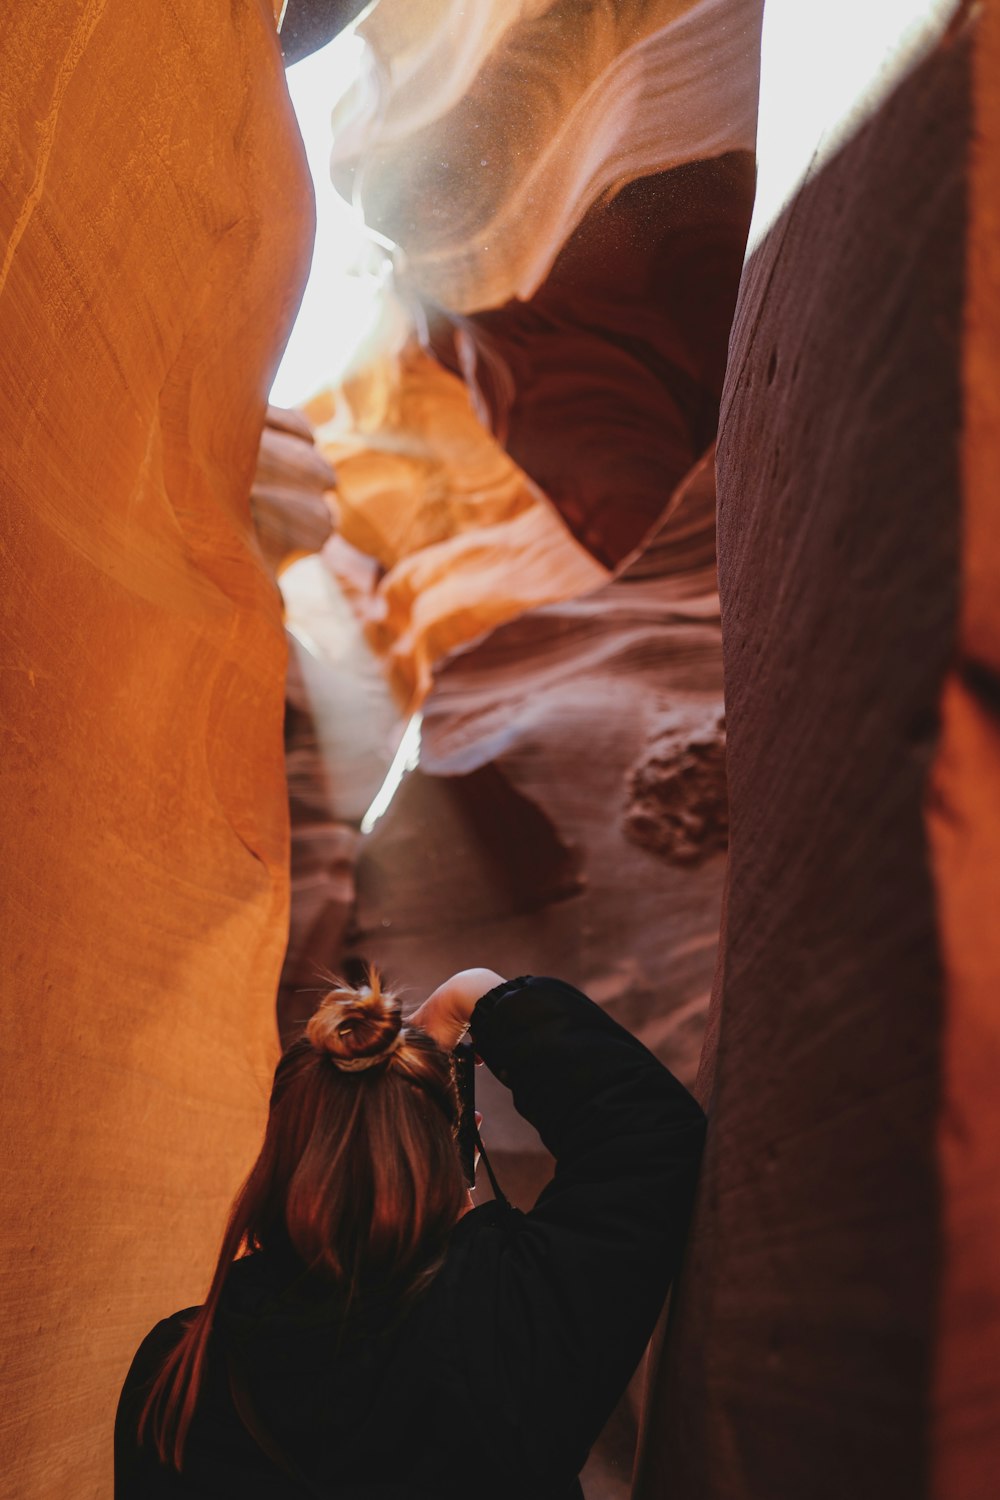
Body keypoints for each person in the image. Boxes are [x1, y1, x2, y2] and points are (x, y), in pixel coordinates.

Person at [115, 968, 707, 1499]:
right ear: (464, 1141)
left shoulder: (176, 1373)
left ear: (280, 1162)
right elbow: (647, 1134)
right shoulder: (510, 1323)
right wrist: (474, 994)